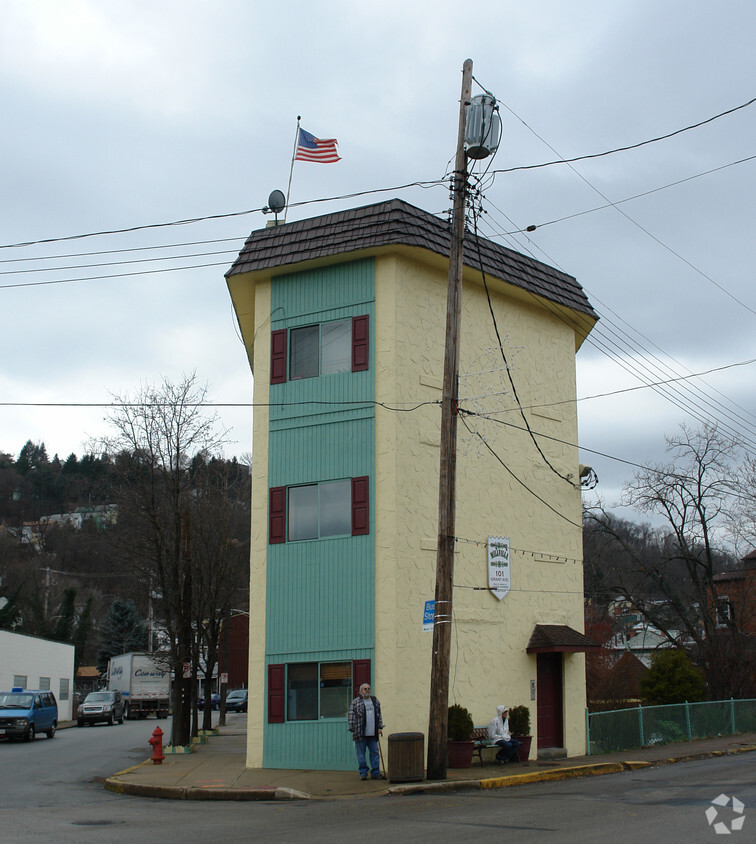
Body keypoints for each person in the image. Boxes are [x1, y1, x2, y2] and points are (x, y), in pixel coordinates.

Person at [347, 682, 385, 780]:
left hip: (373, 733)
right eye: (365, 689)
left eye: (368, 688)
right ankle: (363, 772)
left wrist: (380, 727)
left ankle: (375, 772)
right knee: (361, 754)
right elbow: (351, 716)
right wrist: (353, 728)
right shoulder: (355, 702)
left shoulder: (375, 701)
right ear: (360, 691)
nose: (367, 690)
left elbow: (379, 715)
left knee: (375, 752)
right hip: (360, 733)